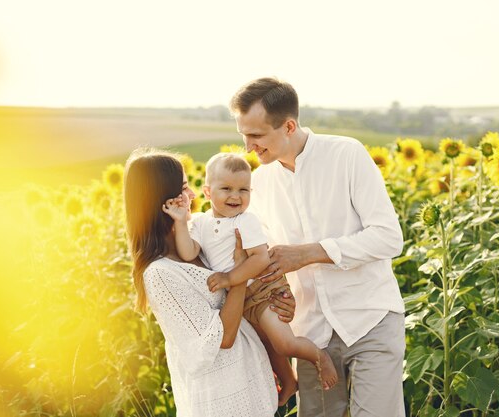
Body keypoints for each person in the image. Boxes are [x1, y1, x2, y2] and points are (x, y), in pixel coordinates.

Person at [230, 78, 406, 417]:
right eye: (243, 135)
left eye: (256, 135)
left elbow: (388, 237)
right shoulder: (260, 184)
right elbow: (263, 256)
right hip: (310, 335)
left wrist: (309, 253)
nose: (248, 146)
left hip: (370, 317)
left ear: (289, 125)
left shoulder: (346, 154)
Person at [123, 147, 296, 417]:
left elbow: (245, 305)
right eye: (183, 188)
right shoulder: (160, 274)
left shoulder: (198, 240)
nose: (192, 194)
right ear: (164, 201)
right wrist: (239, 274)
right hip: (221, 405)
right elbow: (223, 338)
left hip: (254, 394)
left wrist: (278, 302)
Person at [162, 152, 338, 404]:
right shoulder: (200, 223)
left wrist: (230, 278)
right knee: (266, 344)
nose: (236, 196)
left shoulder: (245, 221)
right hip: (241, 297)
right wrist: (180, 222)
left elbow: (260, 259)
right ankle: (289, 381)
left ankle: (319, 357)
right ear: (208, 192)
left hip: (262, 289)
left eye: (244, 190)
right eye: (227, 189)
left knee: (284, 344)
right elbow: (188, 251)